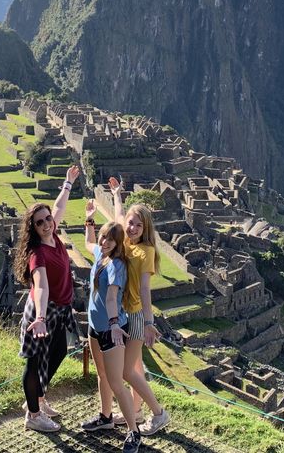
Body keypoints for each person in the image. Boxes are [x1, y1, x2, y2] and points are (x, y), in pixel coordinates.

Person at [14, 165, 80, 433]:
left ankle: (38, 397)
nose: (46, 224)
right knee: (35, 361)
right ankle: (33, 414)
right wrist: (40, 317)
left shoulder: (54, 237)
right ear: (33, 227)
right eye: (39, 222)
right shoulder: (37, 253)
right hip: (42, 313)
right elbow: (40, 285)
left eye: (47, 219)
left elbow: (59, 207)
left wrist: (67, 183)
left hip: (60, 310)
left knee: (59, 351)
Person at [80, 200, 143, 453]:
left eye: (110, 240)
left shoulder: (116, 266)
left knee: (117, 382)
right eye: (104, 238)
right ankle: (105, 418)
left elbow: (110, 296)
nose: (104, 242)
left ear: (118, 245)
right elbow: (88, 243)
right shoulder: (101, 255)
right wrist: (89, 220)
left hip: (111, 329)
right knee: (102, 375)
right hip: (95, 326)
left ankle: (134, 432)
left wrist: (116, 324)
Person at [110, 176, 171, 436]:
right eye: (131, 224)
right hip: (124, 314)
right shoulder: (127, 242)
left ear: (146, 228)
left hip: (135, 316)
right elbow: (119, 216)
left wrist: (149, 323)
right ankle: (134, 412)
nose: (132, 227)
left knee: (127, 371)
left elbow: (145, 289)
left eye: (138, 224)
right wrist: (116, 194)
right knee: (135, 368)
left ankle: (159, 414)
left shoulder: (145, 252)